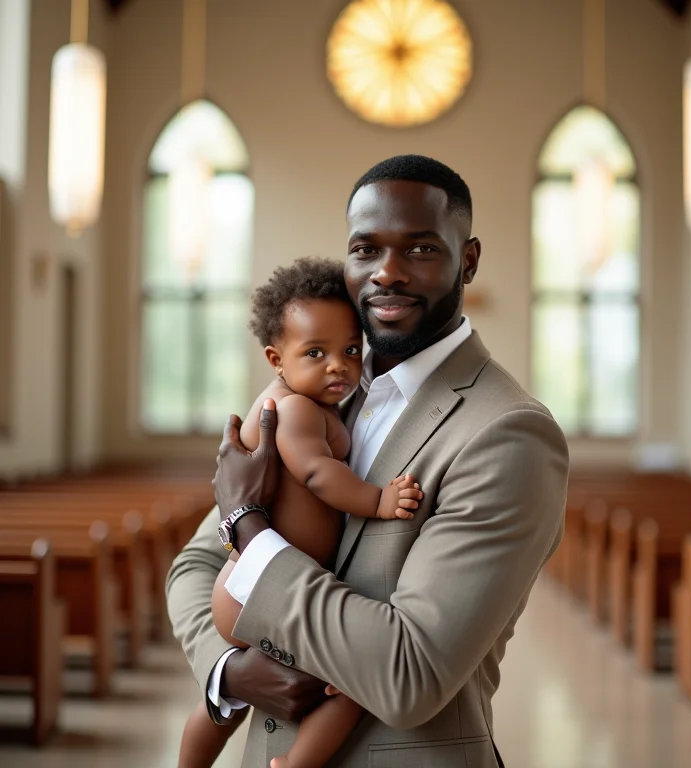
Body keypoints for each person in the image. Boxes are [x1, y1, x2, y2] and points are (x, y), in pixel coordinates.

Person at [167, 154, 570, 768]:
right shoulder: (313, 396)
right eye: (366, 249)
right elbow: (196, 565)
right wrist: (231, 673)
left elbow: (410, 673)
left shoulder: (509, 433)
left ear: (468, 259)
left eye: (420, 250)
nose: (387, 273)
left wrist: (247, 524)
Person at [177, 257, 423, 768]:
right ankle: (297, 763)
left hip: (263, 581)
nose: (339, 365)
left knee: (234, 702)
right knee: (352, 686)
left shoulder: (318, 400)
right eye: (316, 352)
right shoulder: (291, 409)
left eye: (351, 350)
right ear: (276, 358)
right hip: (253, 582)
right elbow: (315, 473)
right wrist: (377, 500)